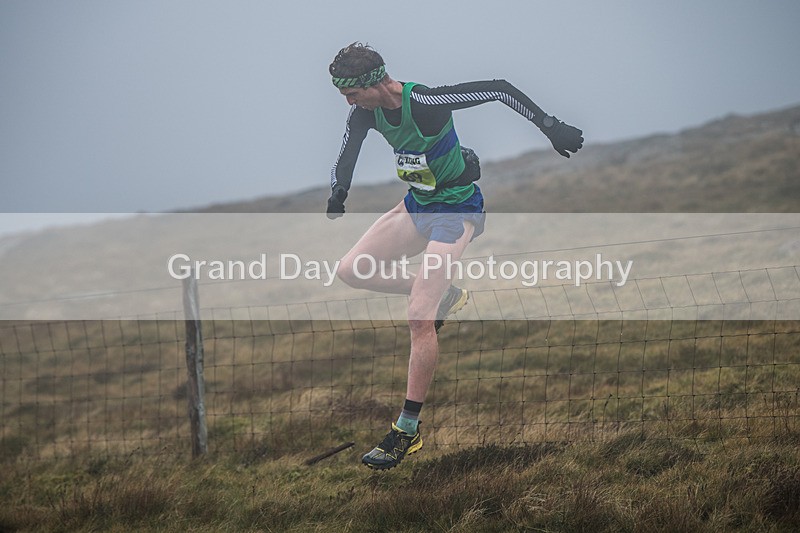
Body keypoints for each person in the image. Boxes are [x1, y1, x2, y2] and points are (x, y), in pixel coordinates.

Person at [326, 42, 583, 470]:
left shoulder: (424, 101)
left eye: (351, 93)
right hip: (416, 206)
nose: (348, 103)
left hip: (455, 211)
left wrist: (550, 126)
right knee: (351, 270)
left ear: (372, 83)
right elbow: (346, 153)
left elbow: (499, 89)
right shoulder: (364, 114)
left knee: (418, 318)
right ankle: (440, 294)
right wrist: (339, 191)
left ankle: (406, 431)